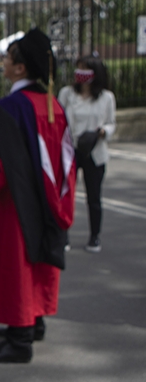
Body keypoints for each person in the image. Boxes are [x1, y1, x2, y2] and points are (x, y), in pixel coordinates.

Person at [0, 28, 75, 362]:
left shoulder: (9, 108)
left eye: (8, 56)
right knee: (37, 257)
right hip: (47, 201)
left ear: (20, 68)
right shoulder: (53, 106)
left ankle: (19, 341)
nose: (3, 61)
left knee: (16, 262)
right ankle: (34, 321)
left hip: (15, 205)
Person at [56, 54, 116, 253]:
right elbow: (58, 118)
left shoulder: (106, 97)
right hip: (70, 149)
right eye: (78, 69)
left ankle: (95, 236)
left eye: (85, 69)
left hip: (94, 150)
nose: (80, 74)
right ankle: (63, 234)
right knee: (66, 194)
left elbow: (111, 124)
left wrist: (101, 132)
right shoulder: (67, 94)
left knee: (93, 197)